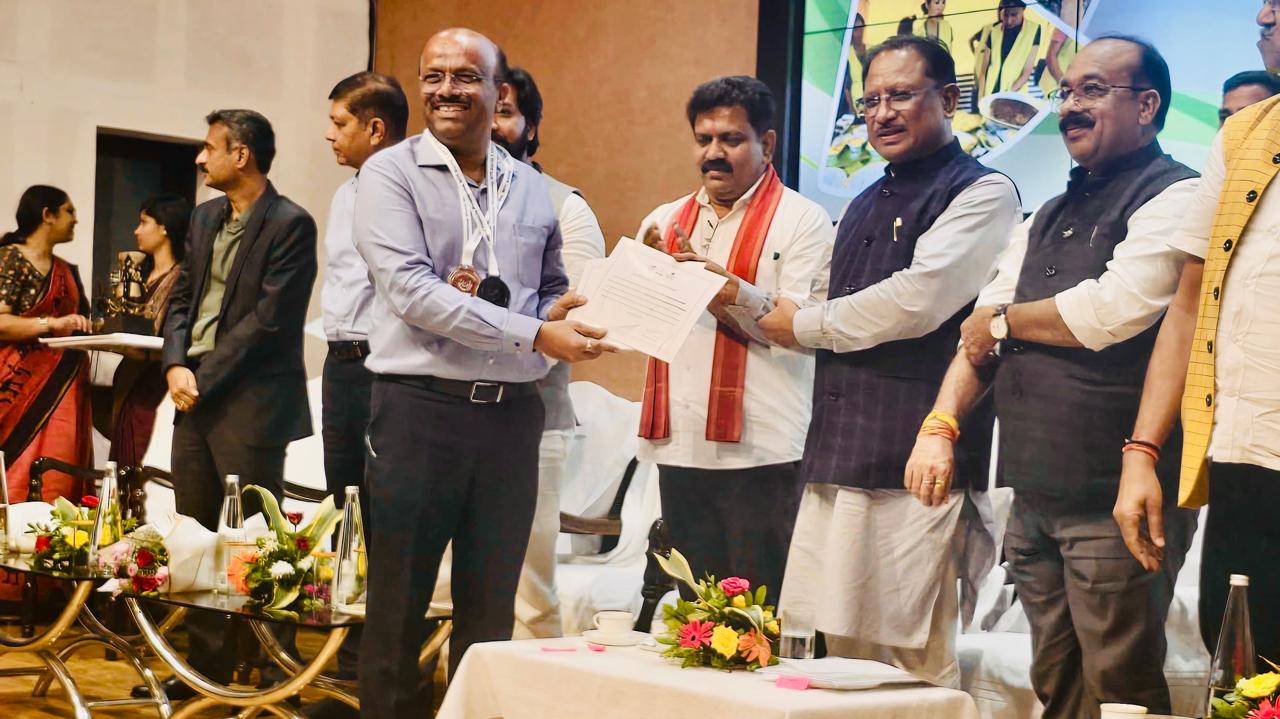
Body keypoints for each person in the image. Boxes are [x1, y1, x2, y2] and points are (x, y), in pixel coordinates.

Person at [911, 37, 1199, 719]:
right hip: (1034, 489)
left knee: (1120, 681)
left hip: (1116, 492)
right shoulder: (1046, 212)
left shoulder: (1179, 194)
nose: (1070, 105)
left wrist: (1003, 322)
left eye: (1093, 90)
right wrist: (940, 424)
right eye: (1066, 91)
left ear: (1148, 106)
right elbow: (979, 328)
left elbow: (1110, 312)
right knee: (1056, 680)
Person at [352, 28, 611, 718]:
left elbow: (548, 285)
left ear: (499, 92)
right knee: (398, 608)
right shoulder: (389, 174)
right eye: (433, 76)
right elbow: (412, 291)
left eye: (466, 77)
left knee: (492, 611)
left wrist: (562, 313)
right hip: (419, 411)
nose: (446, 90)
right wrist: (537, 330)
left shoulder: (528, 186)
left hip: (511, 418)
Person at [759, 36, 1020, 686]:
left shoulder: (983, 191)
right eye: (870, 100)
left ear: (949, 99)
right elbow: (818, 304)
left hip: (917, 460)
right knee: (834, 658)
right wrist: (737, 296)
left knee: (911, 665)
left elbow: (918, 301)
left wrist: (804, 325)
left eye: (900, 95)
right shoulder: (863, 199)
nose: (881, 113)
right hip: (836, 452)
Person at [1115, 0, 1280, 668]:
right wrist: (1142, 451)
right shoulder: (1248, 134)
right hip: (1245, 459)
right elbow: (1190, 301)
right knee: (1243, 671)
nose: (1263, 14)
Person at [635, 75, 833, 606]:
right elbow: (641, 326)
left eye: (731, 139)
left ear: (766, 144)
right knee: (697, 620)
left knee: (763, 617)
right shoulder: (662, 220)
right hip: (681, 443)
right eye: (704, 140)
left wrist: (724, 289)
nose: (713, 153)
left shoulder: (803, 220)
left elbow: (801, 327)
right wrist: (634, 286)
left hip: (764, 449)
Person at [145, 109, 317, 700]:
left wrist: (200, 378)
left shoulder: (291, 223)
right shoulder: (204, 217)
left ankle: (273, 674)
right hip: (193, 394)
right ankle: (205, 670)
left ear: (240, 155)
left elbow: (268, 322)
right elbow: (183, 297)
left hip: (251, 400)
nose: (200, 157)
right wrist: (174, 364)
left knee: (254, 541)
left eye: (209, 147)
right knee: (193, 535)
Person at [491, 65, 606, 638]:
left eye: (504, 112)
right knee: (442, 585)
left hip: (531, 418)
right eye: (482, 111)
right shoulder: (435, 204)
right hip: (445, 418)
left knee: (528, 592)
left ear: (531, 127)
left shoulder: (565, 206)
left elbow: (578, 324)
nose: (490, 125)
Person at [306, 71, 407, 719]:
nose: (329, 134)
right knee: (343, 505)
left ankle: (384, 659)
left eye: (339, 122)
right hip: (341, 361)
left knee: (383, 511)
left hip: (385, 365)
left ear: (375, 127)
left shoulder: (407, 186)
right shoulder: (347, 192)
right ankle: (345, 653)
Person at [0, 186, 92, 602]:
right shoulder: (10, 259)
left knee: (58, 476)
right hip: (16, 384)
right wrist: (51, 325)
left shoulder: (67, 271)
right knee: (14, 474)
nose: (76, 219)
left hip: (63, 392)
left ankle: (49, 583)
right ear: (47, 215)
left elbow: (81, 321)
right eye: (69, 211)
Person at [109, 194, 190, 468]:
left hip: (156, 380)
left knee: (141, 459)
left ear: (164, 226)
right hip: (129, 376)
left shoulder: (182, 278)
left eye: (144, 222)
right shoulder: (139, 275)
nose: (136, 231)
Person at [975, 0, 1042, 99]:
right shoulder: (994, 31)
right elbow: (984, 70)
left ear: (1023, 9)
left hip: (1014, 94)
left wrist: (1006, 95)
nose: (1009, 20)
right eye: (1006, 15)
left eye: (1014, 14)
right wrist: (980, 97)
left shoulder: (1034, 30)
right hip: (990, 93)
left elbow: (1026, 72)